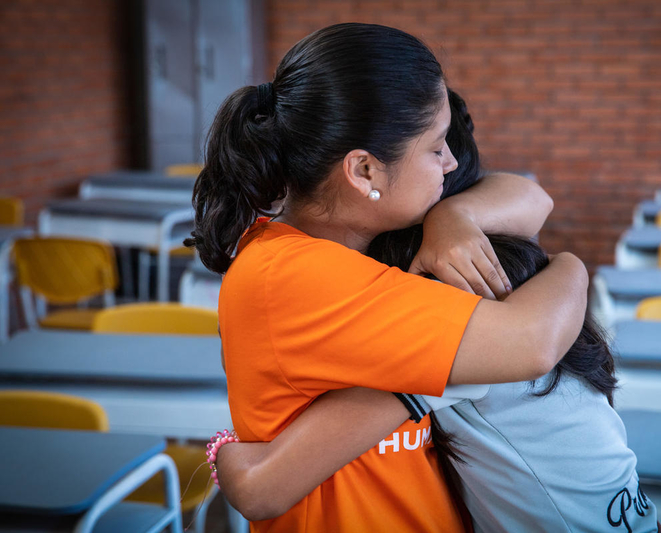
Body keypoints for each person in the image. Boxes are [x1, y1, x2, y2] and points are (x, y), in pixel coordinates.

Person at [189, 22, 589, 532]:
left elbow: (530, 199)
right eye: (436, 146)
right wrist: (573, 265)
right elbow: (534, 341)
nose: (451, 163)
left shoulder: (348, 242)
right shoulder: (299, 274)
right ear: (365, 172)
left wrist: (454, 218)